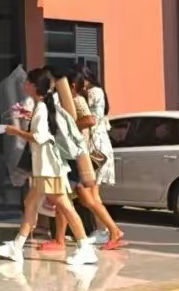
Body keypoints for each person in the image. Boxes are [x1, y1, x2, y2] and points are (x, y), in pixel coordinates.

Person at [0, 68, 99, 267]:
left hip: (49, 169)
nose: (24, 84)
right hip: (45, 168)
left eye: (27, 82)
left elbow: (39, 137)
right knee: (31, 203)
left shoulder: (42, 108)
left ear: (35, 86)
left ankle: (85, 248)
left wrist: (14, 131)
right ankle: (17, 246)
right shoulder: (42, 107)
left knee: (65, 207)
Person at [45, 68, 125, 252]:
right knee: (66, 198)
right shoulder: (66, 101)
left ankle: (114, 231)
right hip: (76, 155)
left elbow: (90, 120)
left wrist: (69, 125)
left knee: (86, 199)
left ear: (71, 85)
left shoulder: (77, 100)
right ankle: (60, 239)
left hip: (81, 156)